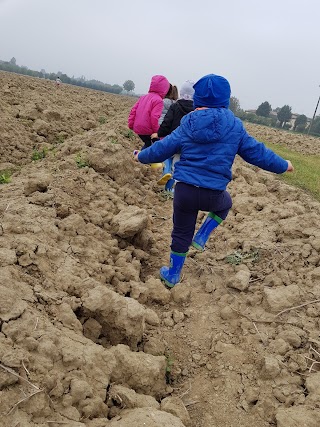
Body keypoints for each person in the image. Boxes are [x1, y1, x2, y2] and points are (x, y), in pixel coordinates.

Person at [134, 74, 294, 288]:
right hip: (213, 194)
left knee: (181, 232)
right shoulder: (235, 126)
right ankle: (201, 237)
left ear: (198, 99)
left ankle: (172, 274)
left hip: (185, 193)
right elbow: (257, 153)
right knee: (225, 204)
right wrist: (284, 165)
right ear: (225, 99)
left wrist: (140, 156)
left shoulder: (187, 124)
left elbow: (162, 149)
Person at [153, 80, 195, 189]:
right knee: (177, 166)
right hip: (186, 145)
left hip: (173, 139)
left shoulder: (175, 106)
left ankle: (166, 172)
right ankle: (172, 189)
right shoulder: (196, 110)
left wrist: (159, 133)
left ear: (181, 93)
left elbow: (167, 122)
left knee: (167, 156)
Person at [128, 75, 171, 150]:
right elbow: (154, 117)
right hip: (148, 130)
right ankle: (141, 157)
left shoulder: (143, 97)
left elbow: (133, 110)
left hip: (138, 128)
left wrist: (131, 124)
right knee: (155, 146)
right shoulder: (158, 100)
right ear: (165, 89)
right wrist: (157, 132)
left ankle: (140, 156)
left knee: (148, 144)